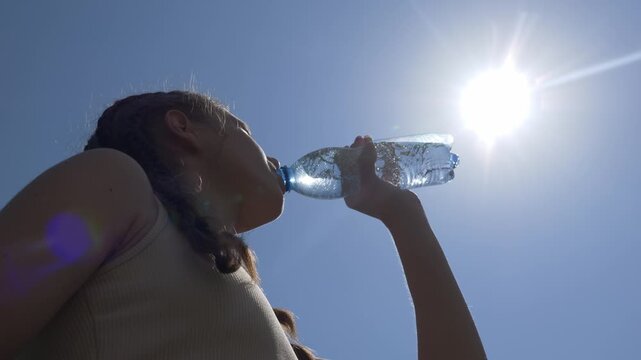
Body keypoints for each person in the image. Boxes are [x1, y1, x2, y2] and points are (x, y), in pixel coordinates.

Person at [0, 91, 486, 359]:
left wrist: (405, 217)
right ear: (182, 127)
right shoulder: (115, 184)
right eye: (246, 131)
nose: (272, 155)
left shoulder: (264, 325)